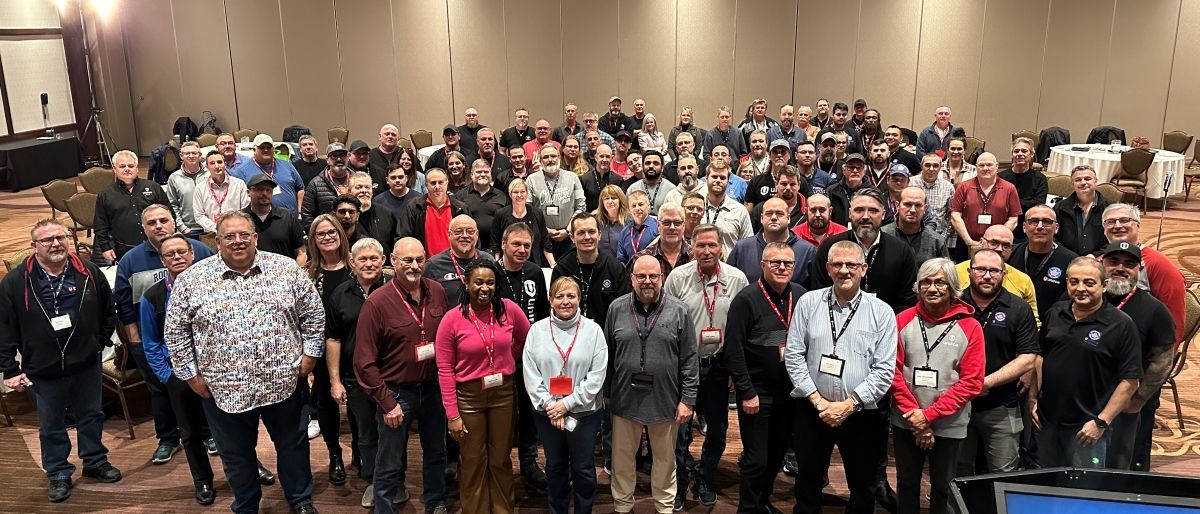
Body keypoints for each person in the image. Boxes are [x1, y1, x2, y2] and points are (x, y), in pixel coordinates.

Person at [163, 211, 324, 514]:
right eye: (229, 236)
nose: (237, 241)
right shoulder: (192, 280)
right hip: (223, 389)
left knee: (293, 446)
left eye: (243, 235)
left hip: (284, 382)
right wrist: (190, 375)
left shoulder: (286, 269)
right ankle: (247, 505)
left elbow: (313, 314)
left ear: (255, 237)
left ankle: (300, 500)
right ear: (217, 240)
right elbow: (175, 333)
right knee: (236, 455)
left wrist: (311, 355)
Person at [0, 219, 121, 503]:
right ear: (34, 246)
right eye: (47, 240)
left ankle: (94, 462)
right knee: (52, 423)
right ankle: (57, 473)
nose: (56, 243)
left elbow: (108, 309)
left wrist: (99, 343)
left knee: (91, 415)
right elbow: (4, 327)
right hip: (43, 367)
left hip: (85, 362)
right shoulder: (16, 281)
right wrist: (9, 368)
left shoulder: (88, 271)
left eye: (60, 237)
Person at [785, 240, 898, 514]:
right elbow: (794, 355)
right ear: (827, 268)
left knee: (863, 485)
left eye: (851, 265)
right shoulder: (808, 303)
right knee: (808, 481)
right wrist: (818, 401)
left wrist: (848, 406)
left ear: (863, 269)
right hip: (813, 410)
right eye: (837, 264)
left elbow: (884, 370)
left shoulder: (881, 312)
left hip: (860, 414)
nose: (844, 270)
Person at [354, 238, 451, 513]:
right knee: (390, 459)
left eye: (420, 260)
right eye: (407, 260)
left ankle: (436, 503)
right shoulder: (377, 303)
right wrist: (387, 403)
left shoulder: (437, 291)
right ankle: (384, 508)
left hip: (433, 389)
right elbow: (363, 362)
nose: (414, 266)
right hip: (397, 394)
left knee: (437, 452)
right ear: (393, 262)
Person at [114, 204, 215, 464]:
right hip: (154, 341)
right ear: (143, 228)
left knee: (203, 390)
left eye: (163, 220)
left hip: (201, 344)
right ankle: (168, 439)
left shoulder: (201, 250)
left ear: (173, 222)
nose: (158, 226)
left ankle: (209, 434)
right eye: (152, 223)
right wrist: (135, 340)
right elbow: (125, 304)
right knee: (160, 392)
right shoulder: (130, 260)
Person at [664, 224, 749, 508]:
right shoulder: (677, 278)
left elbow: (743, 328)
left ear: (721, 247)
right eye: (701, 246)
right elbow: (667, 322)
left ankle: (705, 475)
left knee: (718, 430)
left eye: (712, 245)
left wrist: (738, 371)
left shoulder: (737, 279)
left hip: (720, 366)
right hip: (685, 365)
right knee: (680, 430)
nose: (707, 251)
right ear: (691, 248)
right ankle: (681, 477)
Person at [891, 258, 985, 514]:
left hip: (949, 425)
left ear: (952, 287)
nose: (932, 288)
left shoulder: (971, 326)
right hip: (906, 421)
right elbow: (892, 372)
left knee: (944, 488)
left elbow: (972, 382)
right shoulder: (902, 319)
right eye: (926, 282)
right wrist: (915, 417)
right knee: (907, 485)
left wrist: (928, 417)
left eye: (940, 282)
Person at [436, 260, 530, 514]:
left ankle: (502, 510)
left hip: (503, 394)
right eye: (478, 282)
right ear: (466, 284)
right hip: (468, 398)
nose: (484, 288)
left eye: (490, 282)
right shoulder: (451, 320)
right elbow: (444, 369)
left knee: (500, 458)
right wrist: (452, 415)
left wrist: (509, 356)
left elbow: (526, 337)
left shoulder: (509, 310)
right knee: (473, 460)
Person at [606, 254, 698, 513]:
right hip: (624, 398)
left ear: (663, 278)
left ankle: (664, 506)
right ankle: (623, 506)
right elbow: (608, 355)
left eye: (653, 276)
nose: (648, 281)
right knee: (622, 460)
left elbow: (690, 358)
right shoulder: (616, 308)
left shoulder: (679, 310)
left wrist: (688, 399)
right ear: (632, 279)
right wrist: (607, 393)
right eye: (641, 276)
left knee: (665, 460)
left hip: (666, 399)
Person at [1033, 256, 1141, 468]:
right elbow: (1040, 357)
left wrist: (1101, 423)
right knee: (1045, 486)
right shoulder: (1055, 312)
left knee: (1083, 495)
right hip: (1048, 423)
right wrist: (1033, 398)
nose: (1080, 288)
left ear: (1104, 286)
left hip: (1087, 429)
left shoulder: (1121, 325)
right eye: (1074, 281)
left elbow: (1130, 382)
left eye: (1089, 283)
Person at [725, 242, 807, 514]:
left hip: (791, 394)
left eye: (788, 263)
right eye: (776, 262)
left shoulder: (801, 295)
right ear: (762, 265)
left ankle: (762, 501)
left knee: (776, 456)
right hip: (757, 394)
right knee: (756, 459)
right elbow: (733, 350)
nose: (782, 268)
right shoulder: (746, 299)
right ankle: (747, 508)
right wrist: (746, 392)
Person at [138, 233, 217, 505]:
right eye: (170, 254)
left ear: (192, 254)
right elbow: (150, 341)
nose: (177, 257)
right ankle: (203, 480)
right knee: (190, 432)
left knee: (233, 424)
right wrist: (167, 376)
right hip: (178, 373)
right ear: (162, 260)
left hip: (217, 370)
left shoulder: (213, 286)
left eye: (181, 252)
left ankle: (247, 467)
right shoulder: (153, 296)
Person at [522, 277, 608, 514]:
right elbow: (531, 374)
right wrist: (551, 405)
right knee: (555, 466)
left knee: (583, 468)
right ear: (550, 300)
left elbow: (596, 377)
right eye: (559, 296)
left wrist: (566, 404)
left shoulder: (593, 331)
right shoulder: (536, 331)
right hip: (547, 413)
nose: (565, 301)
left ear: (579, 299)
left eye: (571, 296)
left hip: (584, 414)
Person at [955, 250, 1039, 475]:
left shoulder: (1019, 308)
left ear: (1004, 273)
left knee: (1002, 474)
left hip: (1001, 406)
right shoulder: (952, 304)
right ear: (970, 271)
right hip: (956, 404)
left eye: (994, 270)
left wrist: (986, 383)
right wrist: (967, 387)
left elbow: (1027, 358)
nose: (987, 275)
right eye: (981, 269)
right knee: (957, 475)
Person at [321, 238, 388, 508]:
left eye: (374, 258)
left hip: (391, 376)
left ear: (383, 261)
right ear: (352, 263)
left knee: (393, 432)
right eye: (363, 259)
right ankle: (374, 480)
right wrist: (335, 381)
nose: (369, 264)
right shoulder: (340, 294)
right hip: (356, 378)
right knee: (366, 433)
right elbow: (333, 340)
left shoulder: (395, 291)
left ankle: (393, 479)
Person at [1099, 242, 1175, 471]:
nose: (1121, 268)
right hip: (1085, 397)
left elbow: (1163, 361)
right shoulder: (1085, 298)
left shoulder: (1155, 309)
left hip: (1126, 403)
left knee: (1119, 465)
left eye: (1129, 264)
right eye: (1113, 262)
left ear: (1139, 270)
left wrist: (1138, 399)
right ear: (1102, 264)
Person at [494, 223, 551, 490]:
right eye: (516, 244)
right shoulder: (492, 273)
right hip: (499, 355)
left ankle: (529, 461)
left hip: (530, 355)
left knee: (530, 409)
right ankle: (499, 461)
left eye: (527, 245)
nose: (521, 250)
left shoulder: (534, 272)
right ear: (503, 245)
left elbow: (541, 313)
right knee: (503, 411)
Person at [808, 189, 919, 312]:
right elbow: (818, 292)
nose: (866, 216)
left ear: (883, 214)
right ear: (850, 213)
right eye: (859, 210)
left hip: (885, 326)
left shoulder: (902, 251)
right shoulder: (831, 247)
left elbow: (908, 300)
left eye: (873, 210)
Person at [1102, 203, 1187, 343]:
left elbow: (1174, 320)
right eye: (1110, 222)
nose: (1117, 226)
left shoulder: (1160, 266)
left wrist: (1163, 360)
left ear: (1138, 225)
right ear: (1104, 229)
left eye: (1124, 220)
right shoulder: (1099, 261)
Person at [952, 225, 1041, 326]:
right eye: (994, 243)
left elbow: (1032, 322)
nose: (999, 249)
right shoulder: (955, 272)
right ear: (981, 242)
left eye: (1006, 246)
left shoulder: (1023, 280)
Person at [551, 213, 627, 328]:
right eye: (581, 233)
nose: (587, 237)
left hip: (606, 335)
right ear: (572, 238)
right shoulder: (561, 270)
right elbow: (555, 309)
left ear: (599, 234)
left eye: (591, 232)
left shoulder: (615, 268)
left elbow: (622, 311)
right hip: (569, 334)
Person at [95, 150, 172, 262]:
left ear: (136, 168)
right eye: (122, 166)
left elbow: (170, 215)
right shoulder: (105, 195)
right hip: (124, 249)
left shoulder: (154, 187)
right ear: (115, 170)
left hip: (157, 245)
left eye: (131, 166)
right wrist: (105, 248)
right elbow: (100, 225)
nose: (127, 169)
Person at [1008, 205, 1078, 321]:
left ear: (1056, 228)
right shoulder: (1010, 254)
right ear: (1024, 227)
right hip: (1011, 321)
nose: (1040, 227)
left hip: (1052, 324)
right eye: (1034, 221)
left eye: (1046, 222)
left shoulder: (1071, 260)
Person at [949, 152, 1021, 261]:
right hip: (966, 243)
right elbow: (955, 216)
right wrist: (969, 242)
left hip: (997, 247)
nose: (985, 168)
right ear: (976, 168)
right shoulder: (963, 187)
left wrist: (996, 240)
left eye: (989, 165)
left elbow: (1013, 219)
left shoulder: (1009, 188)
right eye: (981, 165)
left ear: (997, 166)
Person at [728, 197, 817, 285]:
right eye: (769, 213)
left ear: (788, 218)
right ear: (762, 218)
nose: (774, 217)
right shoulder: (742, 248)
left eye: (779, 213)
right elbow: (729, 284)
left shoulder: (807, 251)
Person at [527, 144, 586, 259]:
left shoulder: (572, 177)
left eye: (553, 156)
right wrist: (546, 230)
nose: (550, 160)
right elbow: (528, 209)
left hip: (569, 237)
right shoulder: (531, 180)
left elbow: (581, 207)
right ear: (540, 160)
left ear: (559, 157)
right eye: (546, 157)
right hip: (542, 237)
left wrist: (568, 230)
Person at [424, 215, 498, 303]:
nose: (465, 235)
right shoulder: (433, 265)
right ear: (449, 234)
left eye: (470, 231)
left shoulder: (488, 260)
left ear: (477, 235)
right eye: (458, 231)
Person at [398, 169, 469, 258]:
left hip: (454, 263)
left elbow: (471, 238)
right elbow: (404, 237)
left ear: (447, 183)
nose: (437, 186)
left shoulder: (461, 208)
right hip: (424, 265)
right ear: (426, 185)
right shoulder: (413, 207)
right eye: (433, 183)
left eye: (440, 182)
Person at [230, 134, 305, 213]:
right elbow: (237, 199)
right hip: (260, 221)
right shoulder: (241, 171)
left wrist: (300, 212)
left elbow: (300, 189)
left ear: (273, 149)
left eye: (268, 147)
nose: (266, 150)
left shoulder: (287, 165)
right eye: (262, 147)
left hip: (290, 218)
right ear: (254, 150)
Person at [244, 173, 306, 262]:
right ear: (248, 192)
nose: (264, 193)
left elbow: (301, 252)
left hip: (285, 274)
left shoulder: (286, 216)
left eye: (268, 190)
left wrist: (297, 273)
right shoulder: (241, 219)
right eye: (260, 189)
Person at [1053, 164, 1110, 256]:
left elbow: (1115, 238)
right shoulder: (1060, 208)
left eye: (1087, 179)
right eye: (1078, 180)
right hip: (1066, 258)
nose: (1083, 183)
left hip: (1099, 259)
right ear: (1072, 184)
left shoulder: (1109, 208)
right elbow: (1052, 236)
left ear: (1095, 181)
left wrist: (1095, 255)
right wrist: (1066, 254)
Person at [881, 186, 948, 265]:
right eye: (908, 204)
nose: (912, 210)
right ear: (897, 206)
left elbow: (946, 273)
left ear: (925, 209)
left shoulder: (937, 242)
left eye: (918, 205)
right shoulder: (882, 236)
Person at [701, 163, 753, 255]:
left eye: (722, 178)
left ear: (728, 181)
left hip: (730, 266)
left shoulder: (740, 211)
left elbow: (748, 247)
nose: (718, 180)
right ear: (706, 179)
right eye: (714, 177)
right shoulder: (697, 208)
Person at [194, 150, 249, 234]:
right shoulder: (200, 188)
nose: (217, 166)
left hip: (236, 231)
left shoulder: (239, 184)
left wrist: (231, 227)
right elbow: (199, 216)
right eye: (212, 163)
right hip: (211, 234)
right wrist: (217, 228)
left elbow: (245, 210)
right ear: (207, 167)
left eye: (219, 162)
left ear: (225, 164)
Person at [458, 159, 510, 248]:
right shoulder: (460, 195)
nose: (483, 174)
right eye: (479, 172)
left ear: (490, 174)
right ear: (471, 175)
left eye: (486, 172)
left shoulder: (502, 196)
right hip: (468, 246)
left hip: (495, 247)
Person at [998, 138, 1047, 233]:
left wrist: (1010, 202)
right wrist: (1026, 202)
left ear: (1032, 154)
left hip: (1031, 226)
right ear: (1012, 154)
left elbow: (1039, 204)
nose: (1020, 154)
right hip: (1004, 224)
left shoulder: (1040, 179)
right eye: (1016, 151)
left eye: (1024, 151)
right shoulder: (1000, 177)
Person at [301, 142, 352, 228]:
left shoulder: (358, 180)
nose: (339, 159)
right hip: (328, 237)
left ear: (348, 157)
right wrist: (317, 236)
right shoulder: (315, 184)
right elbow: (307, 216)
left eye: (342, 155)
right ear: (327, 160)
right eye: (334, 156)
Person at [166, 141, 208, 236]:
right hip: (189, 229)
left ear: (200, 155)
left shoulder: (209, 174)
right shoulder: (174, 178)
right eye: (187, 153)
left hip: (210, 228)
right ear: (181, 156)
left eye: (194, 153)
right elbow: (172, 205)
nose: (191, 156)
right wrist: (182, 227)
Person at [617, 190, 660, 265]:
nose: (637, 208)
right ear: (629, 210)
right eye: (633, 206)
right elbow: (621, 259)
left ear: (648, 206)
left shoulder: (658, 227)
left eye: (640, 204)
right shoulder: (624, 232)